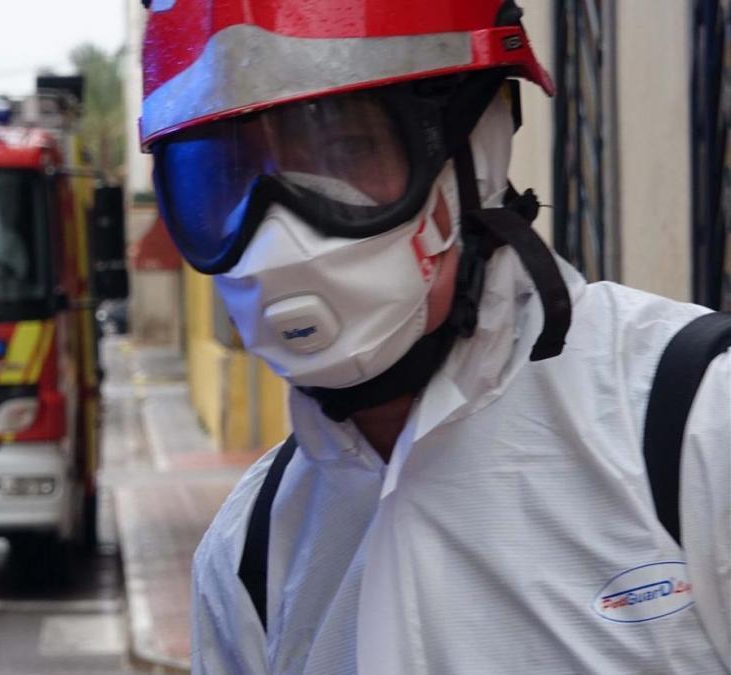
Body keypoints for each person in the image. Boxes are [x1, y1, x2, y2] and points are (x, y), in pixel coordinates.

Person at [139, 0, 731, 672]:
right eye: (227, 179)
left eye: (345, 149)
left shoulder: (694, 430)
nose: (279, 238)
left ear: (472, 156)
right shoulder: (250, 555)